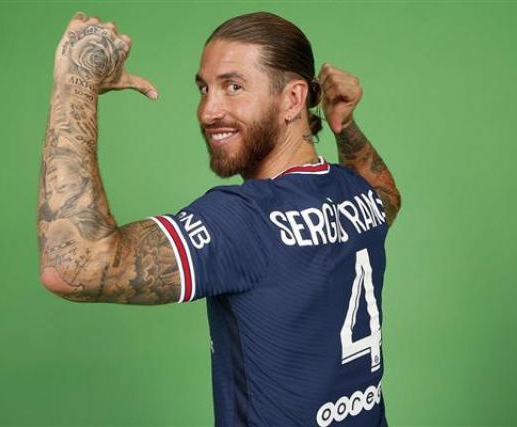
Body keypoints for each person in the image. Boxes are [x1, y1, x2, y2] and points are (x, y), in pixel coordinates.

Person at [38, 10, 401, 427]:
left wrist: (76, 85)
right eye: (204, 88)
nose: (208, 111)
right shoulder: (356, 194)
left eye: (234, 87)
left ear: (293, 99)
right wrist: (345, 125)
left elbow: (72, 267)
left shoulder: (244, 218)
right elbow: (387, 197)